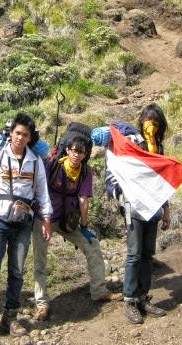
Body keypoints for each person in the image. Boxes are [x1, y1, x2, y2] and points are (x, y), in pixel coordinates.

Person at [0, 112, 53, 340]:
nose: (20, 138)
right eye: (17, 133)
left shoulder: (35, 161)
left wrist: (46, 220)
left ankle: (10, 316)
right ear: (11, 133)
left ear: (30, 138)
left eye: (25, 134)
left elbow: (42, 193)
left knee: (16, 270)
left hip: (23, 222)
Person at [32, 125, 122, 322]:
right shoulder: (52, 165)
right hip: (43, 218)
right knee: (40, 260)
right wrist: (42, 216)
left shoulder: (85, 171)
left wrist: (83, 226)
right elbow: (39, 190)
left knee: (93, 246)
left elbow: (83, 199)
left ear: (85, 154)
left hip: (67, 219)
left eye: (81, 152)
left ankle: (98, 291)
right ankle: (41, 303)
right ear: (67, 149)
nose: (76, 155)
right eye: (73, 150)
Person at [104, 103, 171, 325]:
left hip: (152, 207)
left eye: (155, 122)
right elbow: (114, 170)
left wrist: (166, 209)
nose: (151, 126)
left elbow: (160, 180)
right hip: (133, 205)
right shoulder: (130, 142)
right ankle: (130, 300)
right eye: (148, 121)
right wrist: (119, 193)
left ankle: (143, 297)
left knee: (147, 253)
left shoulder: (158, 147)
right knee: (134, 253)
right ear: (140, 121)